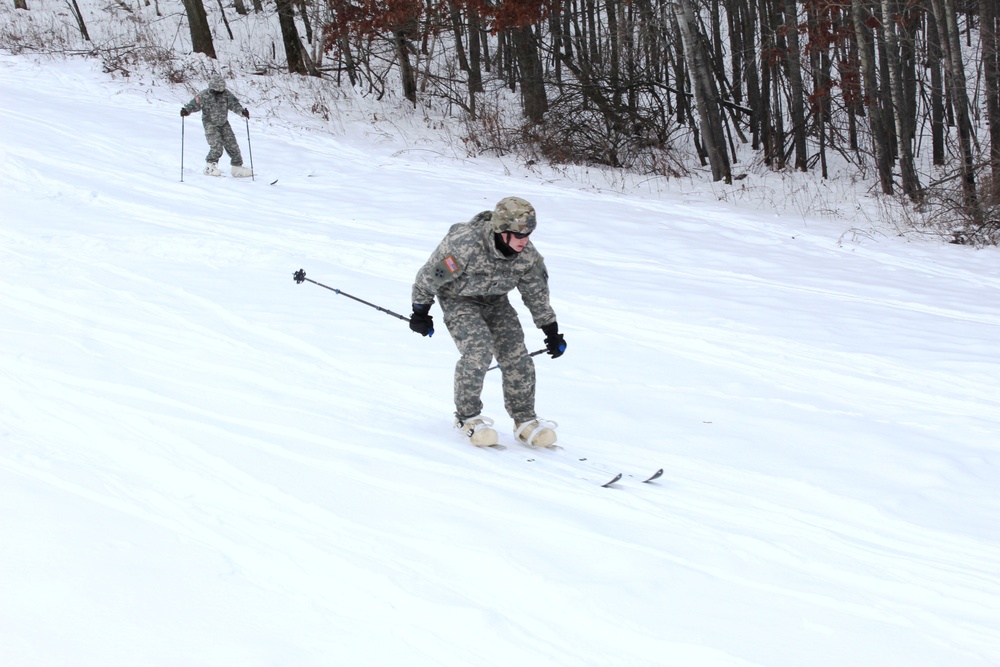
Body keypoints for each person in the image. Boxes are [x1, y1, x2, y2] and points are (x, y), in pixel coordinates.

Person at [409, 197, 567, 448]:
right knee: (478, 351)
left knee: (517, 355)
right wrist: (420, 311)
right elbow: (429, 276)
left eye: (528, 233)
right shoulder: (465, 244)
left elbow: (536, 292)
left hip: (495, 301)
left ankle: (525, 421)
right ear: (501, 231)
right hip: (458, 299)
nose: (524, 240)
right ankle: (466, 417)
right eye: (518, 234)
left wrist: (551, 330)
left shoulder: (526, 255)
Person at [180, 75, 253, 178]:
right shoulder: (204, 95)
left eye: (221, 91)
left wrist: (242, 112)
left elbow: (234, 104)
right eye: (217, 91)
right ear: (212, 88)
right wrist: (186, 111)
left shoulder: (226, 94)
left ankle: (237, 167)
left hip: (224, 123)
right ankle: (210, 166)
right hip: (210, 123)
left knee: (232, 145)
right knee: (216, 145)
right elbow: (193, 105)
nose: (219, 93)